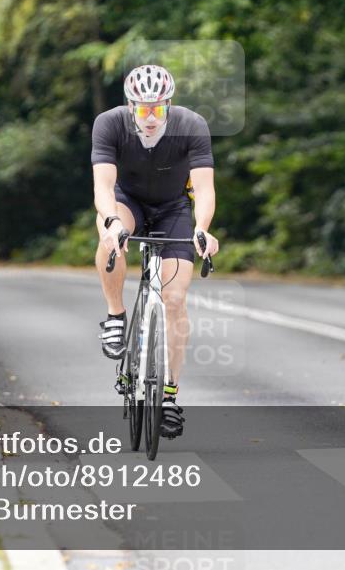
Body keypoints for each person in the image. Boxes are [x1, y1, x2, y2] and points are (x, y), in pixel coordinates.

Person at [91, 64, 220, 439]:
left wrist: (202, 228)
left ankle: (169, 396)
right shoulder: (109, 124)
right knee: (108, 234)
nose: (150, 117)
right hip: (126, 201)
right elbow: (103, 186)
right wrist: (113, 221)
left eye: (158, 108)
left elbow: (204, 188)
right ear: (130, 106)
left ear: (169, 104)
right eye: (142, 109)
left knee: (175, 300)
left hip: (172, 208)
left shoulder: (191, 125)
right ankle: (116, 315)